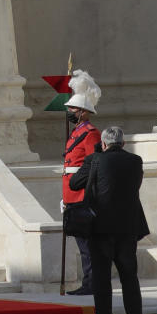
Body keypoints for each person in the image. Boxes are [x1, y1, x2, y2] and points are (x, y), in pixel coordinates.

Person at [69, 124, 148, 314]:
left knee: (102, 279)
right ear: (123, 143)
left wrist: (93, 158)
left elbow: (75, 183)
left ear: (103, 143)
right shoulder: (135, 161)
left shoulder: (94, 159)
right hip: (128, 228)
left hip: (101, 228)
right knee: (129, 278)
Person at [62, 70, 102, 296]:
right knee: (82, 245)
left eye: (74, 109)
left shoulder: (90, 133)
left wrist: (83, 190)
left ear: (85, 112)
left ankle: (92, 282)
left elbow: (93, 164)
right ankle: (89, 281)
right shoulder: (77, 131)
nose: (70, 111)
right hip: (71, 193)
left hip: (81, 194)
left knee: (87, 246)